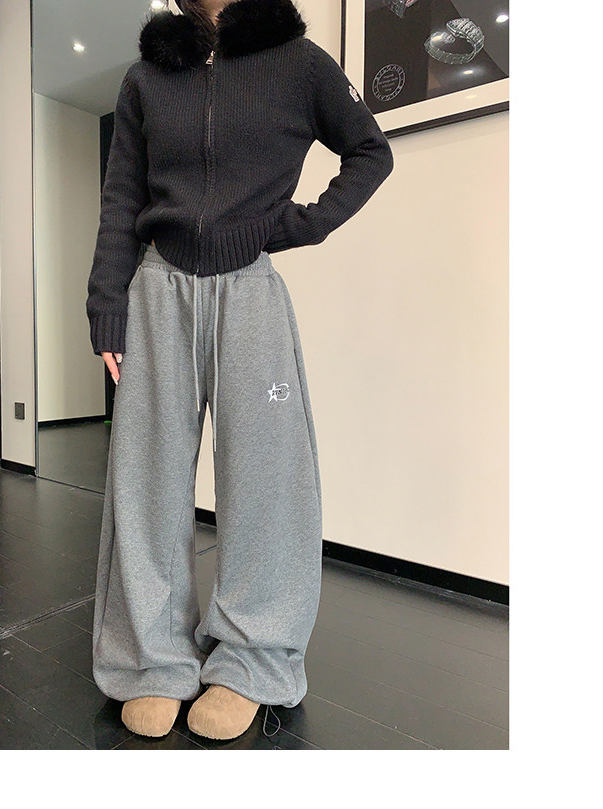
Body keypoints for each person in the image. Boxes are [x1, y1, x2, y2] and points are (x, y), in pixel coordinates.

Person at [85, 0, 394, 742]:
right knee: (146, 477)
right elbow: (122, 196)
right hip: (156, 290)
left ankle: (252, 660)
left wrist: (298, 224)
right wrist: (106, 304)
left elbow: (370, 151)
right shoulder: (146, 77)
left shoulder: (300, 63)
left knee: (267, 477)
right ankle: (151, 660)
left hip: (251, 294)